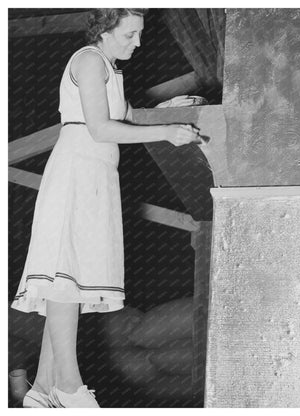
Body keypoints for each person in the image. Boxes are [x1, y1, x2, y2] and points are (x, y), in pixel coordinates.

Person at [11, 8, 202, 408]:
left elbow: (125, 114)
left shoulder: (108, 68)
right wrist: (167, 132)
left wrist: (166, 110)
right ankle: (68, 384)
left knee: (73, 281)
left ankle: (44, 391)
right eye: (130, 33)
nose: (137, 41)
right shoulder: (88, 59)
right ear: (106, 29)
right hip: (77, 171)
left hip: (96, 175)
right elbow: (100, 127)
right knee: (66, 278)